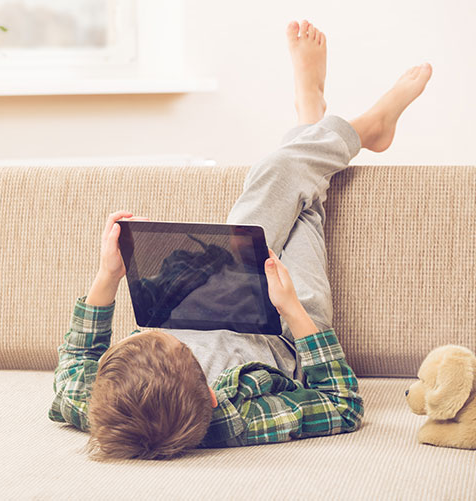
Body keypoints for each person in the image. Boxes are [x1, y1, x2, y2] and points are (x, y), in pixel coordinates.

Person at [48, 19, 433, 460]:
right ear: (212, 400)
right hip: (287, 327)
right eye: (173, 339)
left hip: (220, 278)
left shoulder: (100, 408)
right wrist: (290, 308)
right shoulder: (237, 419)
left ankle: (324, 119)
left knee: (275, 176)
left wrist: (107, 276)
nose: (167, 331)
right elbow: (341, 406)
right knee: (303, 208)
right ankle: (349, 124)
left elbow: (75, 365)